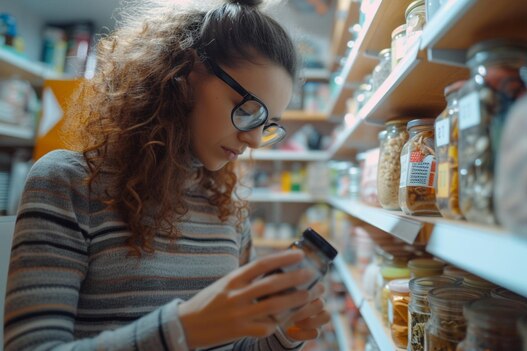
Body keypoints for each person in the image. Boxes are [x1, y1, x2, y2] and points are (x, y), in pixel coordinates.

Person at [3, 0, 331, 350]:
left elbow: (234, 344)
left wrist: (281, 335)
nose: (253, 138)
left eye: (268, 125)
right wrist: (185, 329)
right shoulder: (68, 184)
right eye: (249, 110)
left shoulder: (229, 211)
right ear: (185, 73)